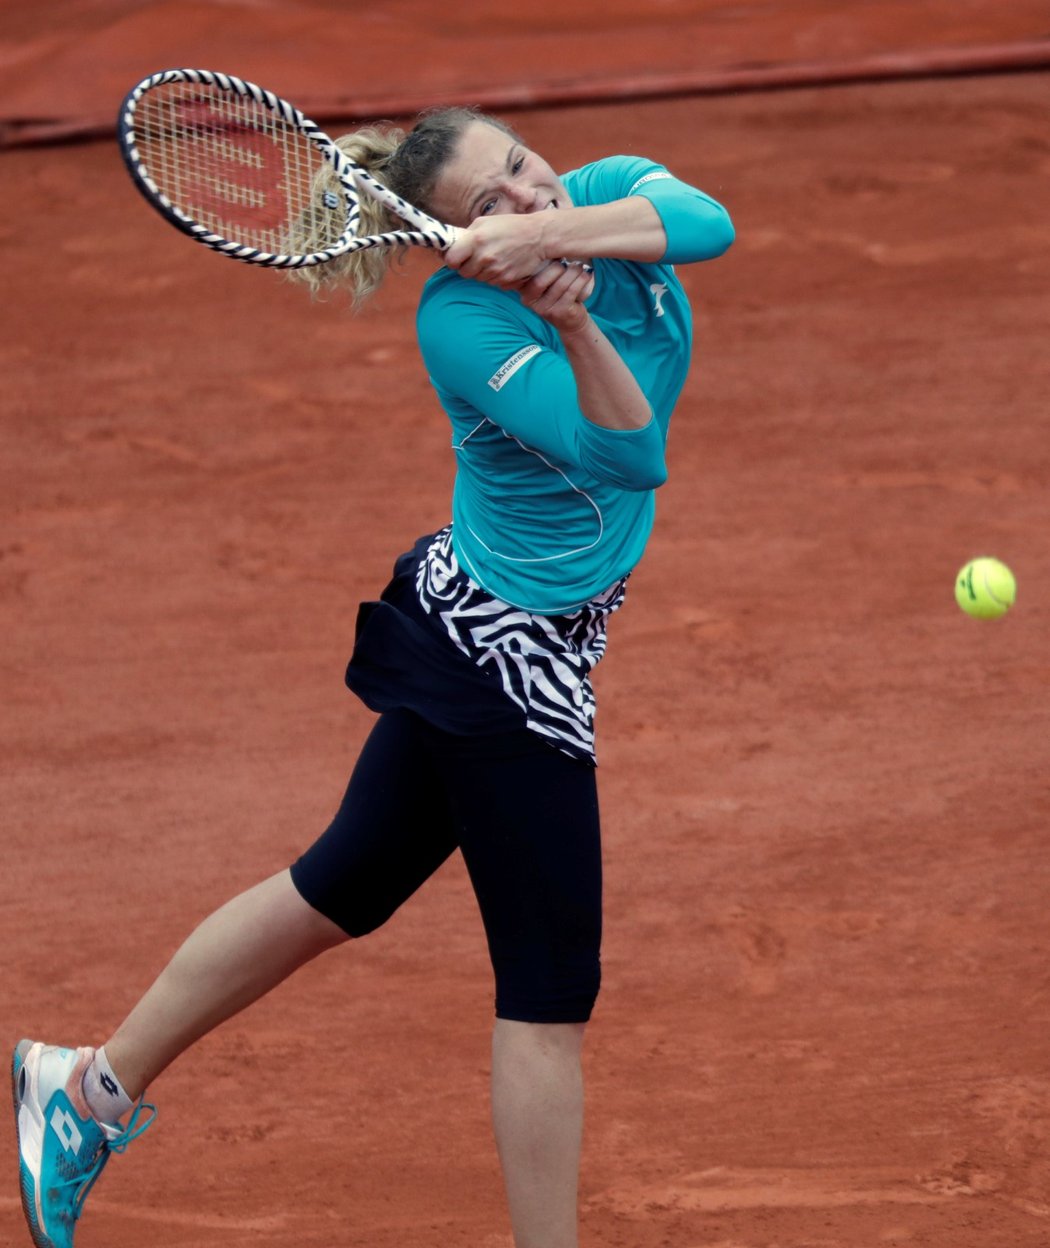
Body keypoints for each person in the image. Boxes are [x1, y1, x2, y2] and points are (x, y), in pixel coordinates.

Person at [12, 105, 733, 1248]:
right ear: (449, 238)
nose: (523, 196)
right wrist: (575, 324)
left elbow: (709, 222)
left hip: (486, 628)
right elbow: (631, 456)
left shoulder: (607, 190)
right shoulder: (460, 322)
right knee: (548, 999)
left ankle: (85, 1088)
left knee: (336, 886)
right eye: (487, 207)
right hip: (504, 668)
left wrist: (567, 236)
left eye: (519, 166)